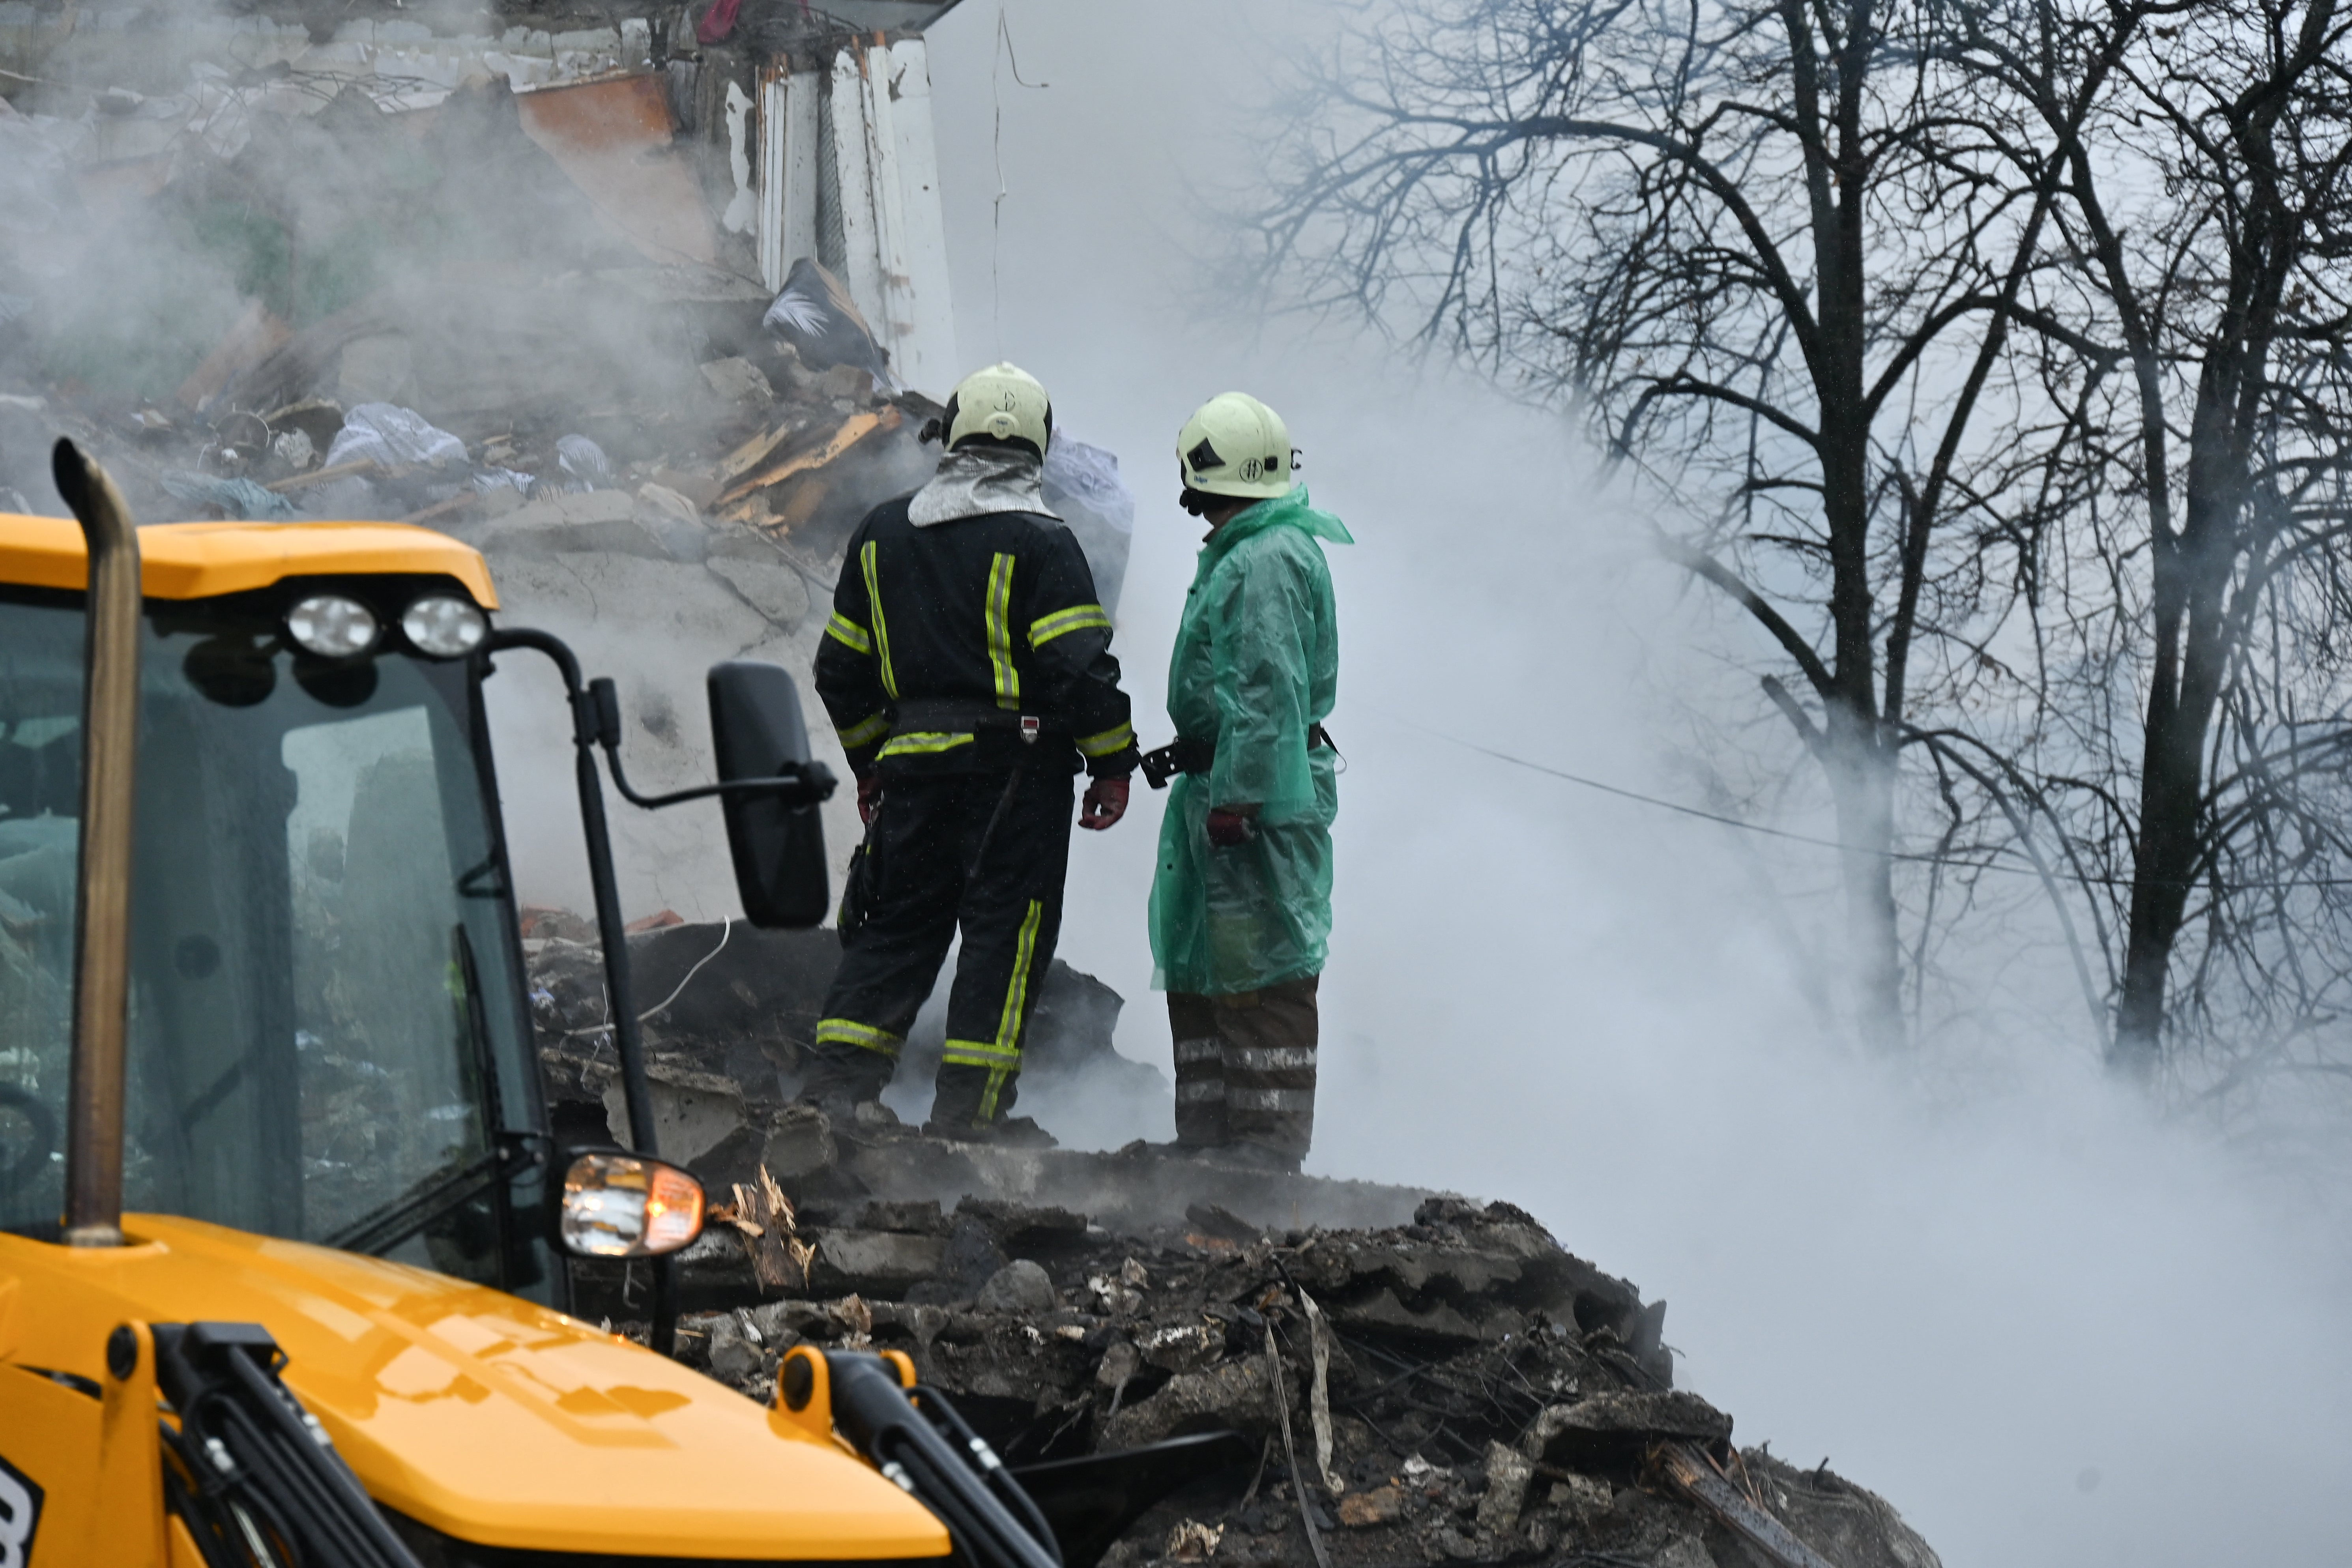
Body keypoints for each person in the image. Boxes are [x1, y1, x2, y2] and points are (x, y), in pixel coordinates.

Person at [804, 363, 1140, 1139]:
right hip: (1015, 775)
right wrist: (1113, 761)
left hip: (912, 773)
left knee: (895, 926)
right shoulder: (1043, 540)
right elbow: (1078, 667)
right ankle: (970, 1119)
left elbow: (838, 671)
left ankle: (832, 1099)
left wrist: (870, 764)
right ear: (1037, 448)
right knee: (1004, 931)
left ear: (949, 436)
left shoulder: (882, 532)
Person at [1143, 392, 1350, 1171]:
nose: (1185, 498)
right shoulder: (1255, 549)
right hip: (1228, 785)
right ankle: (1210, 1140)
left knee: (1259, 966)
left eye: (1193, 480)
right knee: (1210, 961)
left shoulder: (1264, 559)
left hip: (1253, 799)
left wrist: (1238, 794)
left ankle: (1262, 1150)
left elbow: (1266, 687)